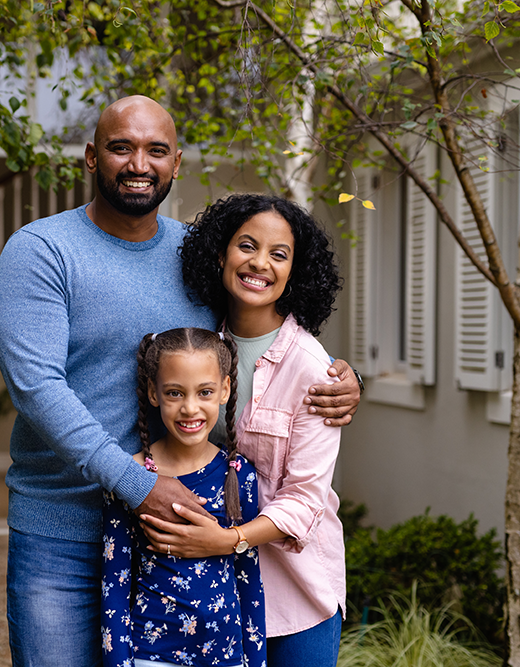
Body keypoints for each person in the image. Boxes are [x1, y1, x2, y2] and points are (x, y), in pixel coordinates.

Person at [0, 96, 359, 667]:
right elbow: (37, 387)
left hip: (173, 539)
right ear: (91, 156)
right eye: (121, 147)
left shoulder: (196, 256)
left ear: (177, 163)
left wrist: (342, 376)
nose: (140, 163)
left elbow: (254, 332)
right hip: (64, 535)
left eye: (156, 150)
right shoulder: (42, 252)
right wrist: (135, 485)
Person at [140, 194, 347, 666]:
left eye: (279, 254)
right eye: (247, 246)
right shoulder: (197, 344)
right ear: (221, 254)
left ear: (295, 270)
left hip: (293, 592)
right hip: (203, 593)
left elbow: (305, 498)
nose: (260, 263)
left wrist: (227, 541)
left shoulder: (312, 368)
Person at [102, 328, 265, 667]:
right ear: (153, 392)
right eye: (175, 393)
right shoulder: (130, 478)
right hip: (153, 655)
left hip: (227, 656)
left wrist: (256, 661)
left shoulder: (239, 475)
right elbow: (114, 586)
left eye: (204, 392)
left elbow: (249, 579)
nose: (190, 408)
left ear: (225, 390)